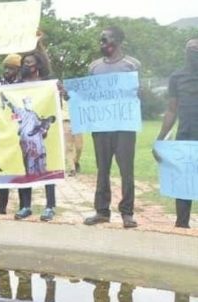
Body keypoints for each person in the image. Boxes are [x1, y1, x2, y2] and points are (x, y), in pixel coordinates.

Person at [83, 27, 142, 228]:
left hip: (125, 126)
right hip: (101, 126)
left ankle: (127, 213)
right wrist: (71, 94)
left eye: (104, 40)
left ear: (116, 41)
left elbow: (139, 94)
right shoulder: (94, 67)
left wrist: (140, 92)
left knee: (126, 169)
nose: (101, 44)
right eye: (100, 40)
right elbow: (88, 95)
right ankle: (102, 211)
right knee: (102, 169)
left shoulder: (132, 65)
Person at [10, 52, 59, 222]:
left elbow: (54, 106)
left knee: (47, 167)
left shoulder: (46, 84)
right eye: (23, 63)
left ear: (37, 66)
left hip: (42, 137)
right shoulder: (15, 86)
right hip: (25, 138)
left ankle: (50, 206)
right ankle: (25, 206)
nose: (25, 65)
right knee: (26, 169)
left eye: (29, 63)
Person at [155, 38, 198, 229]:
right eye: (191, 49)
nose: (194, 52)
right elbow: (171, 110)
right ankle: (182, 224)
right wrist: (160, 139)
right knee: (184, 183)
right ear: (185, 52)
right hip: (185, 137)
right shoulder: (177, 77)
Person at [0, 54, 22, 214]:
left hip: (19, 134)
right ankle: (1, 209)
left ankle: (24, 206)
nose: (6, 71)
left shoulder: (25, 85)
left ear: (18, 70)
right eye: (5, 68)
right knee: (3, 174)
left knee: (20, 172)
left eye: (10, 68)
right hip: (3, 134)